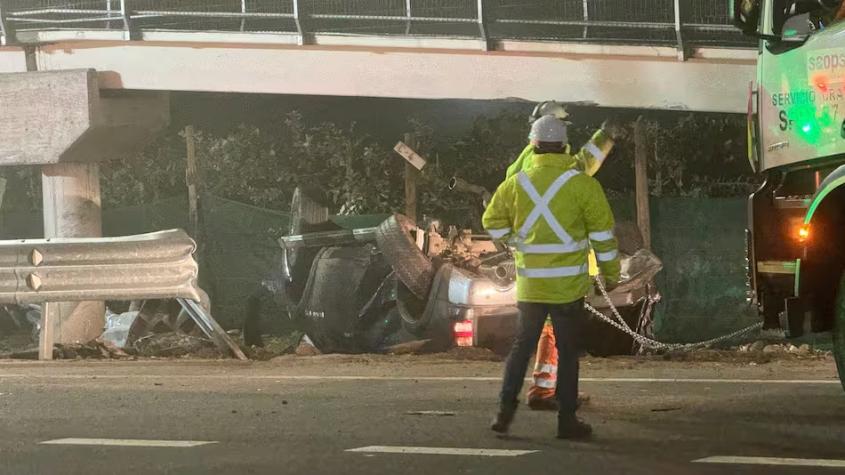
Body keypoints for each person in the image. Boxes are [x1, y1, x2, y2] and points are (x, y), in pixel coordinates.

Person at [483, 115, 621, 439]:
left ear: (533, 145)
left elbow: (491, 220)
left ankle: (504, 413)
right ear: (565, 146)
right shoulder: (583, 184)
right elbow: (603, 236)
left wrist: (516, 244)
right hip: (568, 288)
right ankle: (567, 421)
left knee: (521, 349)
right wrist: (610, 273)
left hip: (531, 286)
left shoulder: (517, 183)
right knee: (569, 353)